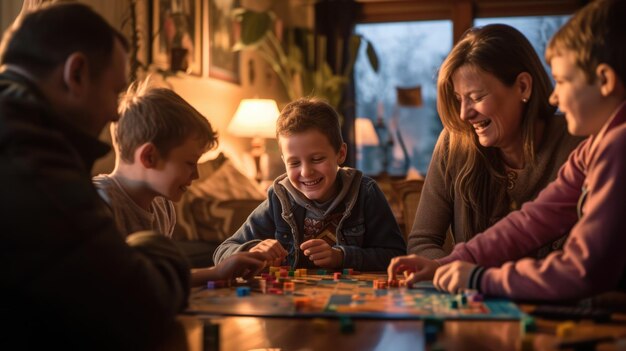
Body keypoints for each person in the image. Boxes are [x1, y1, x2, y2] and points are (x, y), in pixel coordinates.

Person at [388, 0, 626, 302]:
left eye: (564, 81)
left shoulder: (616, 146)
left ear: (605, 80)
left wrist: (479, 277)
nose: (554, 96)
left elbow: (583, 269)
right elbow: (533, 220)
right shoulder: (596, 146)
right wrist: (444, 264)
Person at [1, 4, 184, 350]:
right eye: (115, 92)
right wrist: (155, 247)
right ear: (77, 73)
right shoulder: (32, 159)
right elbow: (140, 309)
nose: (116, 113)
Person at [408, 24, 583, 259]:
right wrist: (446, 269)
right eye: (459, 99)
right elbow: (422, 241)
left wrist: (473, 275)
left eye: (477, 97)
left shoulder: (580, 144)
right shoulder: (454, 143)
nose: (463, 114)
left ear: (523, 86)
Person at [93, 79, 267, 286]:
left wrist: (217, 272)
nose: (196, 175)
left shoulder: (163, 206)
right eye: (190, 163)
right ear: (149, 157)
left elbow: (159, 277)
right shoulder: (99, 203)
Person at [213, 97, 407, 271]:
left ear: (340, 153)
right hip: (291, 303)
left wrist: (342, 257)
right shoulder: (279, 198)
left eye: (317, 159)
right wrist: (251, 250)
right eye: (294, 163)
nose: (306, 172)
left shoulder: (365, 193)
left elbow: (396, 256)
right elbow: (221, 252)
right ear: (284, 161)